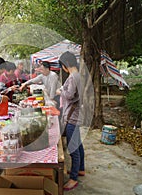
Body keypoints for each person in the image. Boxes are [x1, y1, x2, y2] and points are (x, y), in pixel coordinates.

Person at [58, 51, 84, 191]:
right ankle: (81, 169)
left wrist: (60, 90)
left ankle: (73, 178)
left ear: (65, 65)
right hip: (75, 115)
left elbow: (69, 95)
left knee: (73, 148)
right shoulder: (77, 75)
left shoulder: (73, 77)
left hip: (72, 118)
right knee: (78, 144)